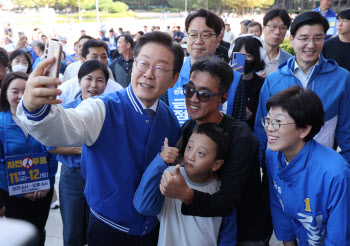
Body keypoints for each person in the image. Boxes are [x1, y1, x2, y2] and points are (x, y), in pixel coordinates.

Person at [17, 31, 184, 245]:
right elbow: (63, 128)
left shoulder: (170, 119)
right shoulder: (103, 107)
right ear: (133, 66)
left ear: (174, 79)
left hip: (152, 229)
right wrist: (35, 108)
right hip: (107, 228)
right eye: (143, 63)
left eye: (160, 68)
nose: (149, 74)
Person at [161, 58, 271, 245]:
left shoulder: (240, 137)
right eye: (190, 90)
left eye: (204, 93)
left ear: (223, 98)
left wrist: (185, 194)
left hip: (242, 233)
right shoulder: (188, 127)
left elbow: (227, 201)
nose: (193, 99)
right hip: (203, 228)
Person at [255, 11, 350, 166]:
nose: (311, 45)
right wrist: (260, 166)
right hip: (279, 169)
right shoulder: (274, 80)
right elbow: (261, 129)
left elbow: (347, 131)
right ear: (292, 40)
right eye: (304, 38)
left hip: (321, 170)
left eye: (317, 38)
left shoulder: (342, 78)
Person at [262, 86, 350, 245]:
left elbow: (339, 234)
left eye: (278, 122)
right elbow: (278, 204)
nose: (269, 128)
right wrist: (287, 241)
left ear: (304, 129)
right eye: (267, 120)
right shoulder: (272, 154)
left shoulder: (335, 172)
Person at [134, 123, 237, 246]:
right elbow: (144, 206)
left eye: (201, 153)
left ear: (217, 164)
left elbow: (228, 237)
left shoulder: (222, 192)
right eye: (189, 147)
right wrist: (160, 162)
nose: (191, 157)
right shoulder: (170, 176)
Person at [49, 60, 109, 246]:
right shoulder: (67, 110)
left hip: (101, 175)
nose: (93, 85)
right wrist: (82, 149)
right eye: (88, 78)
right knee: (72, 231)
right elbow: (52, 146)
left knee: (97, 229)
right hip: (72, 175)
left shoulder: (111, 111)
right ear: (79, 81)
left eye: (100, 80)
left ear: (106, 84)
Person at [0, 72, 58, 246]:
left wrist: (45, 183)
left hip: (42, 193)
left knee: (38, 232)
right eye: (14, 91)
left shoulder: (44, 120)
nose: (20, 96)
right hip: (12, 195)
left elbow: (52, 154)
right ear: (5, 93)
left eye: (25, 90)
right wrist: (19, 190)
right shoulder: (1, 123)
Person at [166, 8, 245, 125]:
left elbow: (239, 126)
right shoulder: (171, 74)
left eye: (206, 35)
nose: (198, 41)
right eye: (193, 34)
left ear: (218, 40)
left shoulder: (235, 79)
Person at [58, 39, 122, 105]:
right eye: (94, 57)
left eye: (104, 57)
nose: (100, 61)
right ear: (83, 60)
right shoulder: (65, 90)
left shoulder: (117, 91)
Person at [229, 35, 266, 131]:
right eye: (240, 56)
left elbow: (267, 117)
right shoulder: (225, 82)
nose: (244, 60)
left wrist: (252, 116)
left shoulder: (263, 85)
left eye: (248, 56)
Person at [260, 9, 292, 77]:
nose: (277, 32)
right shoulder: (248, 55)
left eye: (283, 28)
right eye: (273, 27)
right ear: (263, 28)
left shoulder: (289, 61)